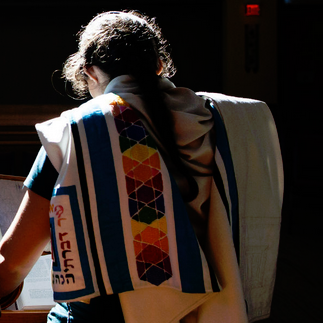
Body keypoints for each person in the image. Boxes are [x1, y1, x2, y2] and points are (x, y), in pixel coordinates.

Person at [0, 10, 252, 323]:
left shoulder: (77, 132)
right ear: (159, 65)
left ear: (90, 73)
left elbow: (11, 265)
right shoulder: (224, 122)